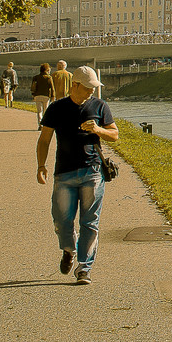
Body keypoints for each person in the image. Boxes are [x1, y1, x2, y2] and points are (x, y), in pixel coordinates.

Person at [37, 65, 116, 285]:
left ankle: (84, 267)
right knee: (63, 221)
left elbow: (115, 134)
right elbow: (44, 140)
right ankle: (68, 249)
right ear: (75, 85)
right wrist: (40, 165)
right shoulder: (57, 108)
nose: (92, 91)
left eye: (94, 87)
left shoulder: (100, 106)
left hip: (92, 172)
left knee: (89, 221)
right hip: (64, 173)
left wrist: (98, 130)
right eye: (88, 87)